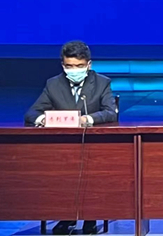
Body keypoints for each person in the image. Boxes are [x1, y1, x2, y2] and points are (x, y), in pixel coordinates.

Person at [24, 40, 117, 235]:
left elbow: (110, 112)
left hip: (93, 145)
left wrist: (87, 119)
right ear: (63, 65)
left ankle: (91, 217)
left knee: (94, 171)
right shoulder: (53, 84)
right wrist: (44, 119)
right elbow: (32, 113)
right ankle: (66, 216)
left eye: (79, 66)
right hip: (62, 148)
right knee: (60, 173)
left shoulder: (102, 83)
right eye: (69, 66)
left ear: (88, 65)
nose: (74, 70)